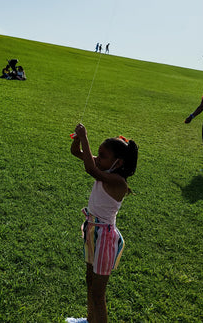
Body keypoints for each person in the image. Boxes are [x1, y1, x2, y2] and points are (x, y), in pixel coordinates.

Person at [67, 123, 138, 323]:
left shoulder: (118, 182)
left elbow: (90, 168)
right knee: (90, 282)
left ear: (119, 162)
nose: (98, 158)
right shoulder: (106, 167)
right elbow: (76, 152)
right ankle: (90, 321)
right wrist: (78, 139)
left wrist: (85, 136)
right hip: (92, 231)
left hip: (105, 238)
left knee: (98, 294)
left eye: (103, 155)